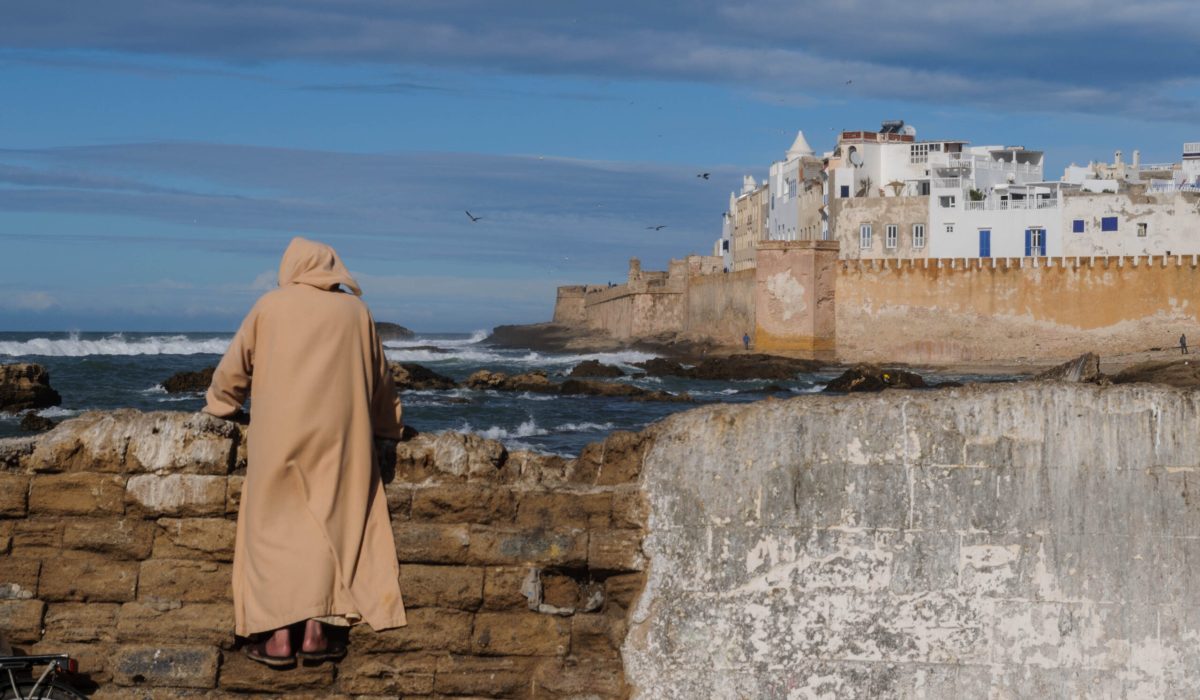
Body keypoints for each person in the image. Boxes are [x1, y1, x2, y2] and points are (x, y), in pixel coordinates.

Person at [204, 237, 406, 667]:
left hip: (278, 435)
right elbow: (381, 382)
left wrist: (220, 407)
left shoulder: (270, 305)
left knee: (272, 532)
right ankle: (316, 632)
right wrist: (388, 430)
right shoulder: (357, 312)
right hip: (342, 437)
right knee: (329, 524)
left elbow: (233, 370)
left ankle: (278, 637)